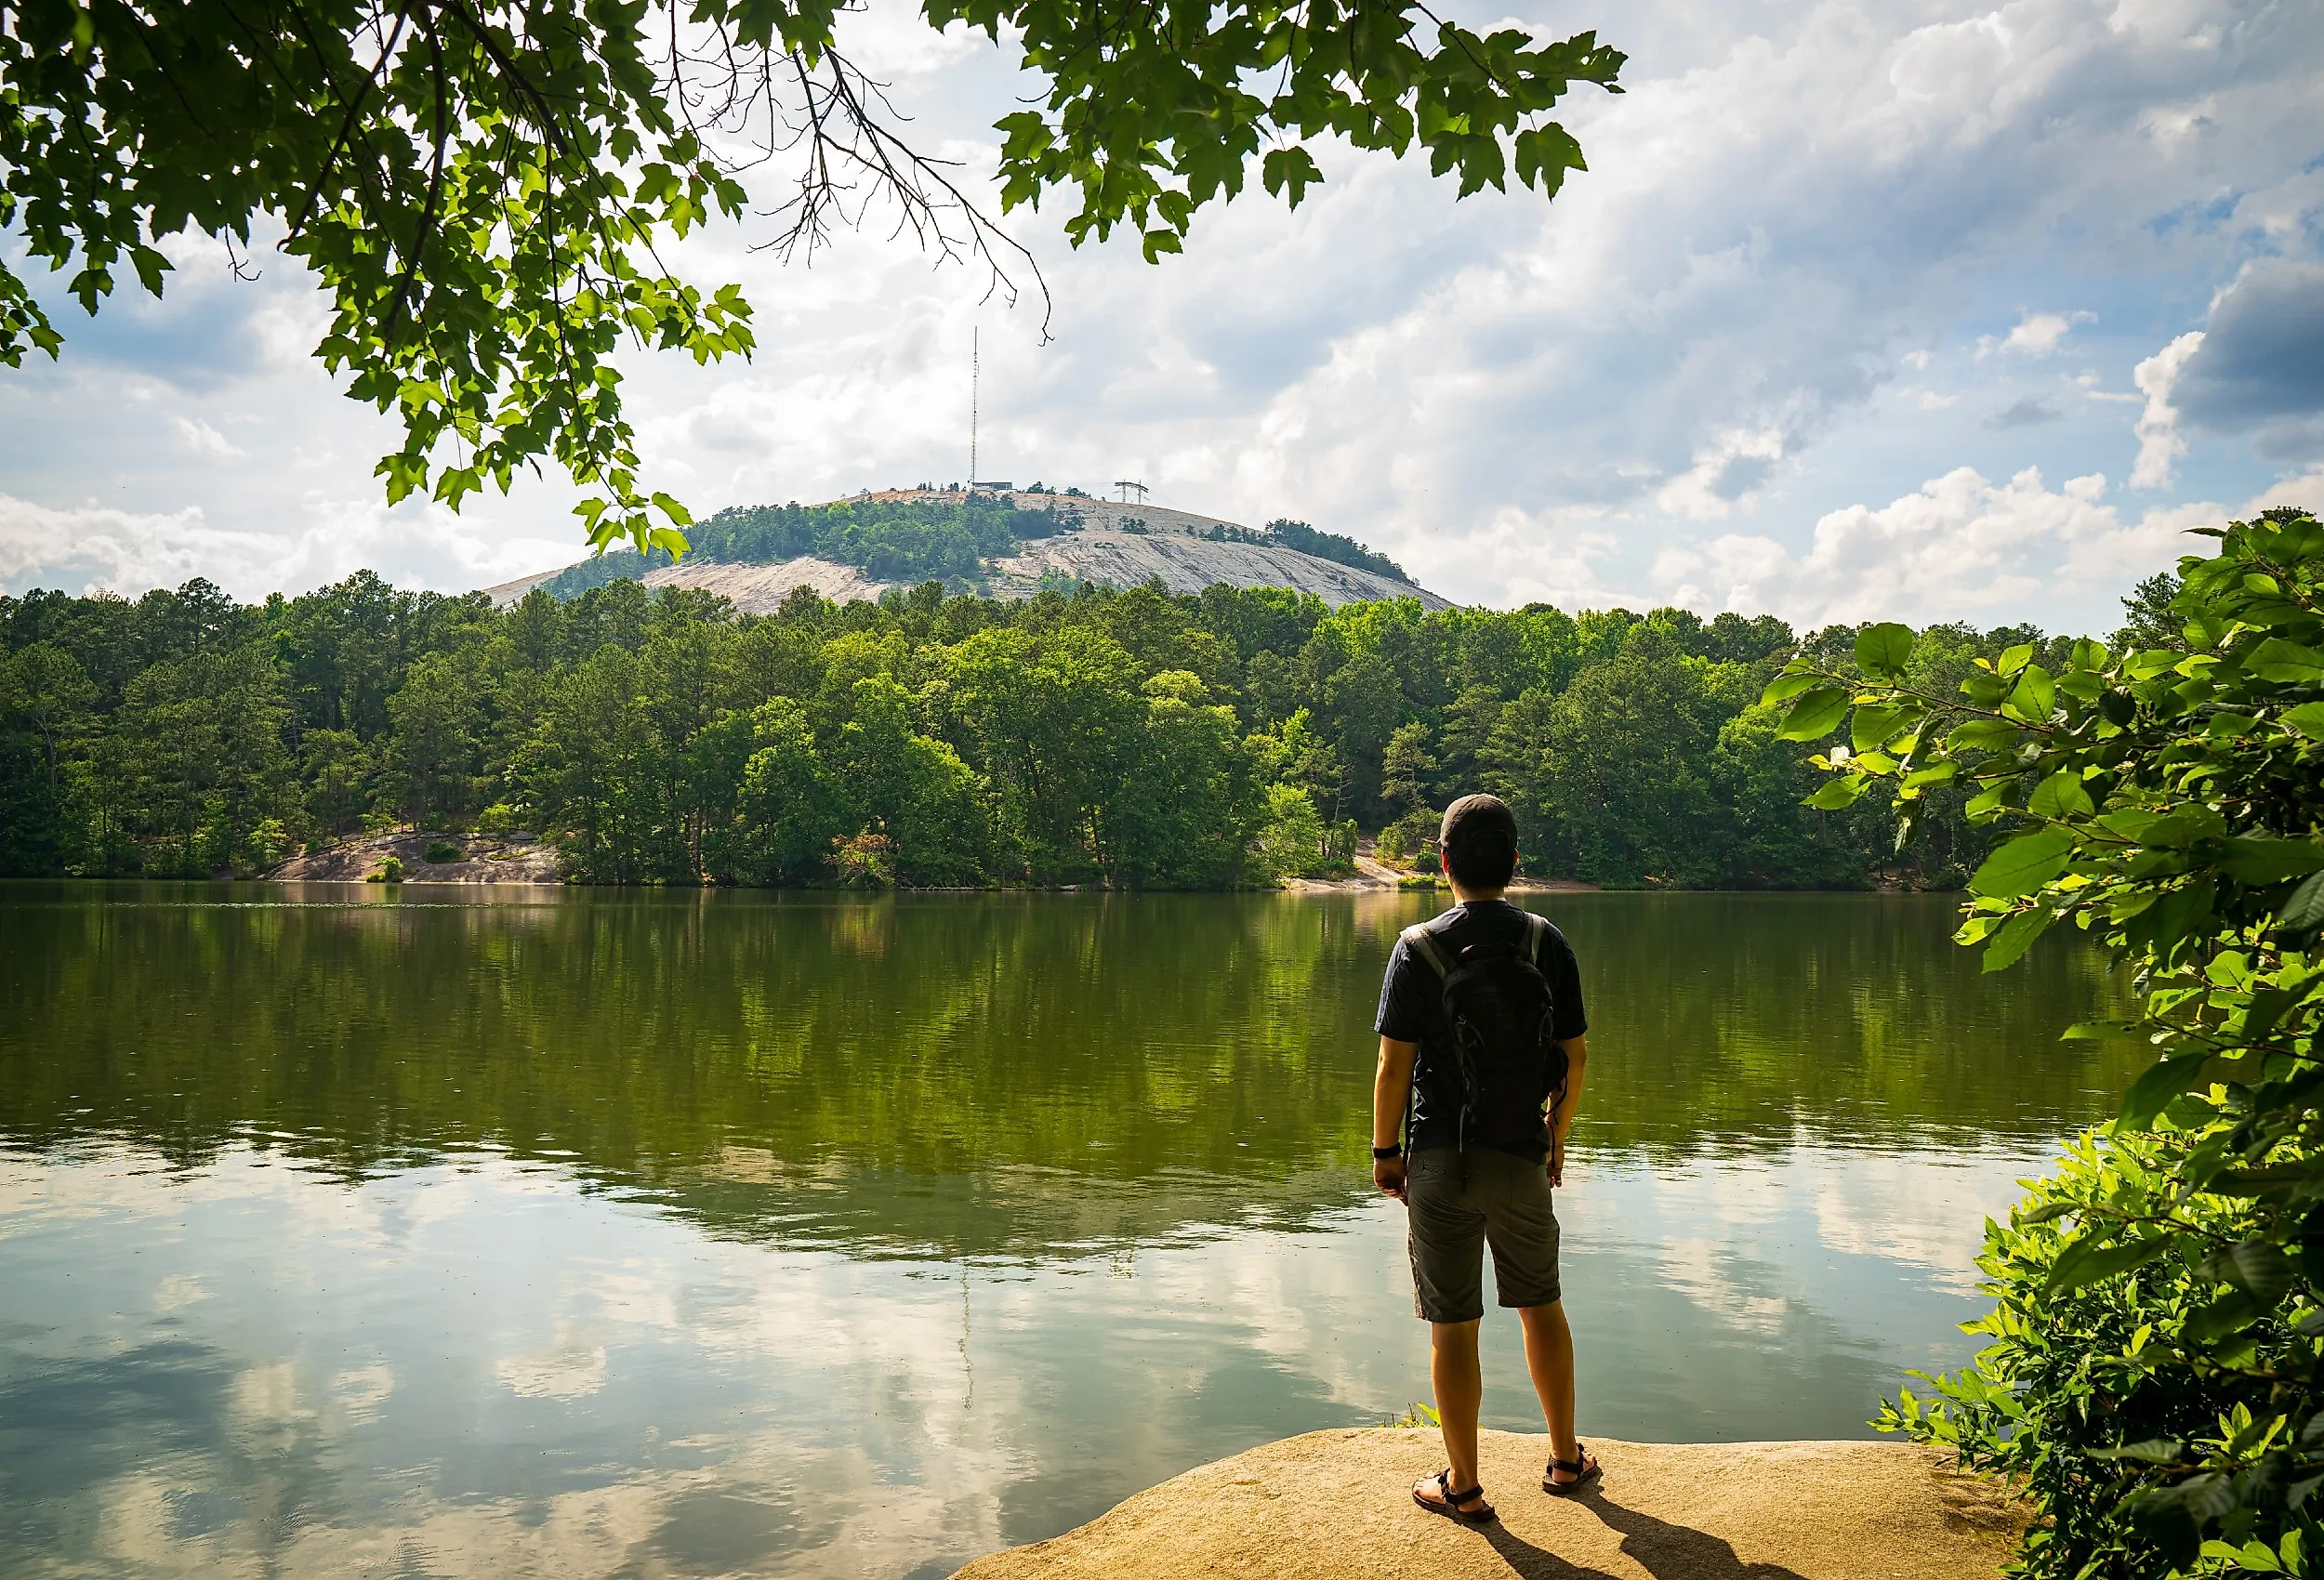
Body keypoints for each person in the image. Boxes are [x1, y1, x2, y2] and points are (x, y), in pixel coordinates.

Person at [1370, 793, 1596, 1525]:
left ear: (1443, 864)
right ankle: (1565, 1459)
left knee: (1453, 1323)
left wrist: (1386, 1153)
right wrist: (1555, 1140)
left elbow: (1392, 1069)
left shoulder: (1417, 947)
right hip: (1521, 1156)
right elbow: (1575, 1056)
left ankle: (1463, 1486)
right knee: (1541, 1306)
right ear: (1515, 863)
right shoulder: (1545, 941)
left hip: (1440, 1159)